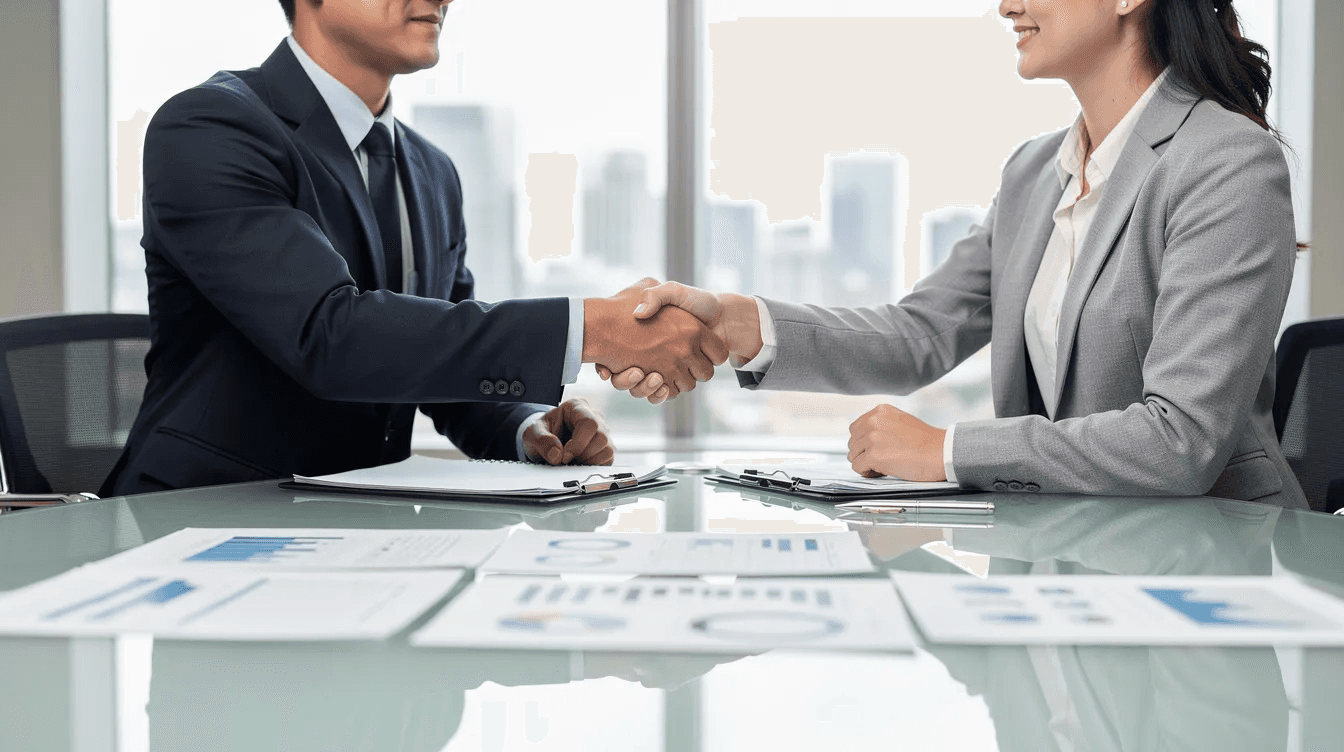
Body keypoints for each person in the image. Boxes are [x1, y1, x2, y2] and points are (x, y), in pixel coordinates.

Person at [607, 0, 1308, 508]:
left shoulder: (1226, 162)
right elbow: (920, 336)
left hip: (1219, 563)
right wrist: (734, 322)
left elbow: (1179, 439)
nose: (1006, 6)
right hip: (1072, 551)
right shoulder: (1035, 173)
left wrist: (942, 451)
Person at [102, 0, 726, 496]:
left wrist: (524, 426)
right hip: (202, 519)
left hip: (361, 525)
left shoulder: (432, 172)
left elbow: (435, 359)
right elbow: (331, 335)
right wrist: (591, 327)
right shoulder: (211, 128)